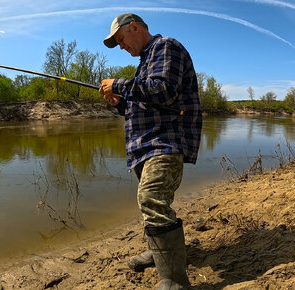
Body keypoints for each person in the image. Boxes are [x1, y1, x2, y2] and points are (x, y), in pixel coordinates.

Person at [99, 13, 202, 290]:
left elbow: (163, 91)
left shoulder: (166, 47)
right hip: (145, 146)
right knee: (151, 203)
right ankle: (158, 254)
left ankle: (174, 280)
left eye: (121, 39)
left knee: (151, 198)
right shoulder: (146, 61)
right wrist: (121, 102)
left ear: (134, 28)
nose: (122, 47)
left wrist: (119, 84)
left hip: (166, 143)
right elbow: (144, 102)